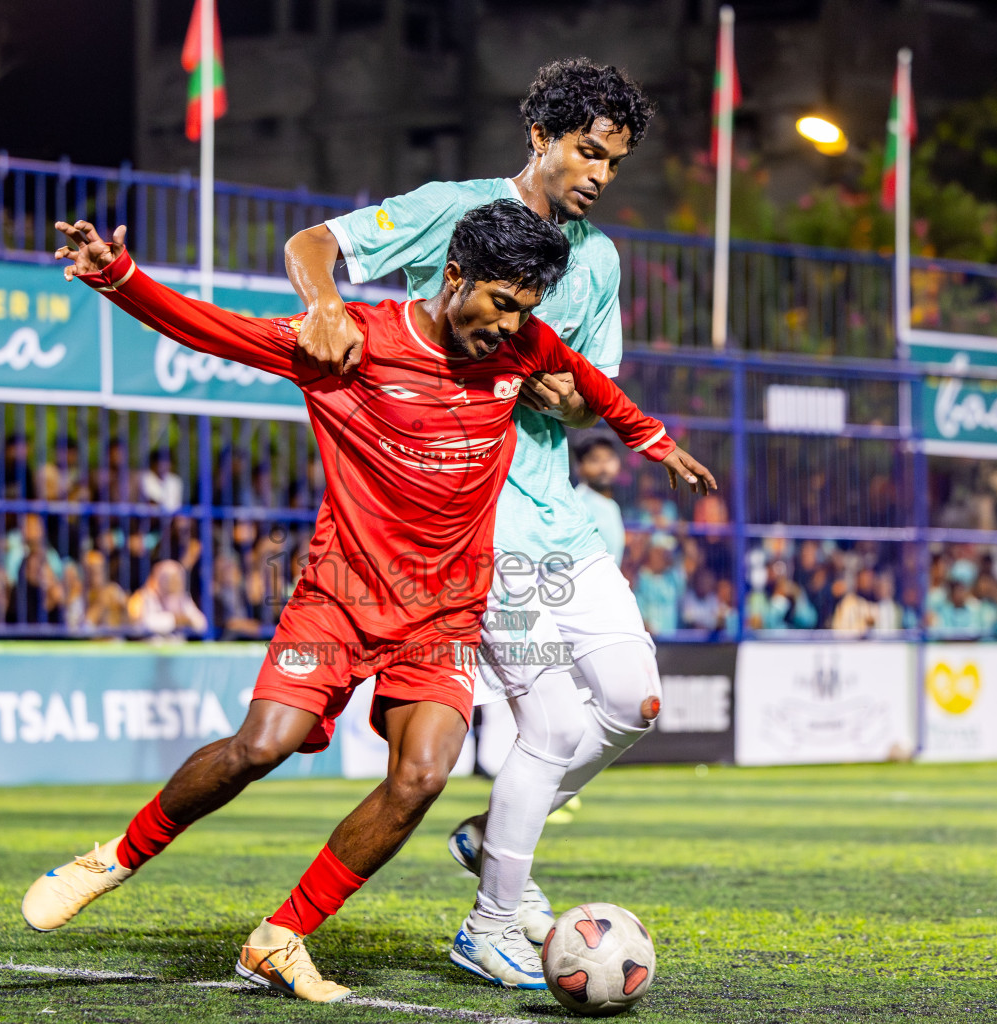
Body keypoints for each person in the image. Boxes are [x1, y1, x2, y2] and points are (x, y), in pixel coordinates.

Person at [20, 205, 712, 1002]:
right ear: (454, 276)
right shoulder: (351, 341)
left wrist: (657, 443)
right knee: (260, 748)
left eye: (525, 310)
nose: (510, 326)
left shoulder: (523, 346)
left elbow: (593, 387)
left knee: (422, 776)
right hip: (340, 597)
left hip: (444, 613)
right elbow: (214, 331)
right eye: (500, 304)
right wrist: (117, 276)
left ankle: (280, 939)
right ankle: (114, 858)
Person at [282, 58, 678, 987]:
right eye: (587, 152)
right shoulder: (451, 209)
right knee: (551, 721)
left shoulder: (599, 260)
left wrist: (564, 395)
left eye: (614, 163)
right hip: (473, 519)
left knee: (637, 703)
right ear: (540, 137)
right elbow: (312, 244)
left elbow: (590, 396)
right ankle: (492, 923)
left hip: (561, 521)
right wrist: (326, 306)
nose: (599, 175)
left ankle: (495, 832)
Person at [573, 435, 625, 567]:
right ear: (579, 466)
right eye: (595, 460)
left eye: (609, 459)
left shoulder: (611, 505)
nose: (604, 467)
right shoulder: (577, 504)